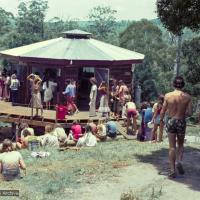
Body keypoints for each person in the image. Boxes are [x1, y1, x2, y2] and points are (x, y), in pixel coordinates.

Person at [160, 76, 192, 178]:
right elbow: (190, 113)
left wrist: (161, 119)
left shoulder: (168, 95)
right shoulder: (187, 97)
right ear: (183, 85)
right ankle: (179, 161)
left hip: (171, 121)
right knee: (181, 144)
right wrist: (182, 113)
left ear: (174, 84)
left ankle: (172, 169)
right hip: (181, 121)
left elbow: (163, 111)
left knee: (172, 147)